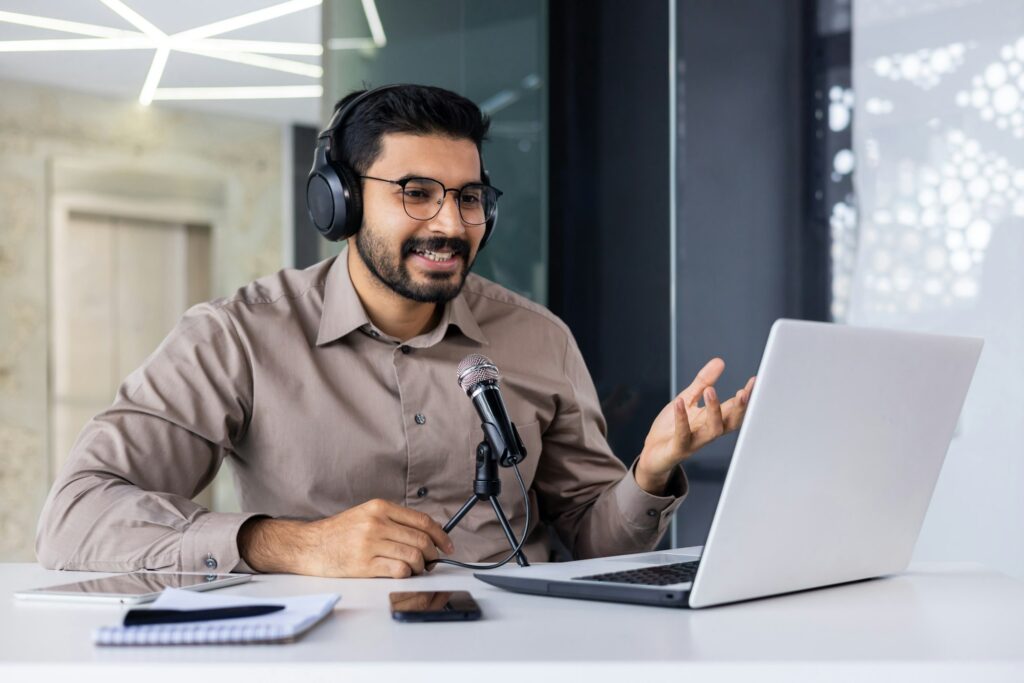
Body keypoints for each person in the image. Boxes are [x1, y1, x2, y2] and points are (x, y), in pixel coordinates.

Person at [36, 84, 754, 578]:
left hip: (521, 657)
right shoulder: (238, 336)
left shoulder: (539, 339)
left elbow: (594, 536)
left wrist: (650, 470)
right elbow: (75, 516)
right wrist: (293, 544)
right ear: (339, 202)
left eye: (468, 197)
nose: (449, 223)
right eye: (415, 193)